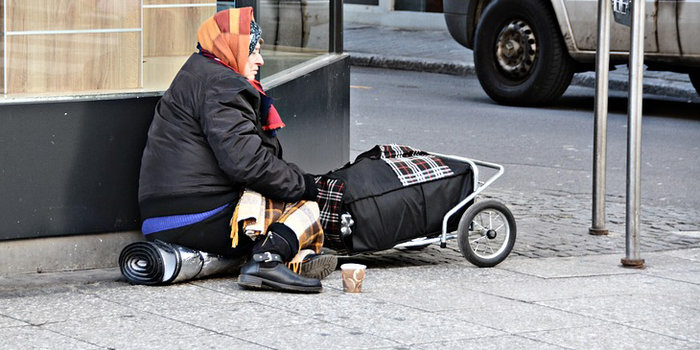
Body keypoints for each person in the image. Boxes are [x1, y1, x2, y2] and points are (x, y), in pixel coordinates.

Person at [137, 7, 336, 293]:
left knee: (280, 199)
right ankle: (267, 262)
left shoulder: (202, 71)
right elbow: (247, 164)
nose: (260, 59)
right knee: (305, 207)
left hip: (170, 212)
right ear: (233, 47)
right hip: (193, 215)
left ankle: (292, 259)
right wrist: (304, 184)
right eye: (252, 50)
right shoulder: (222, 84)